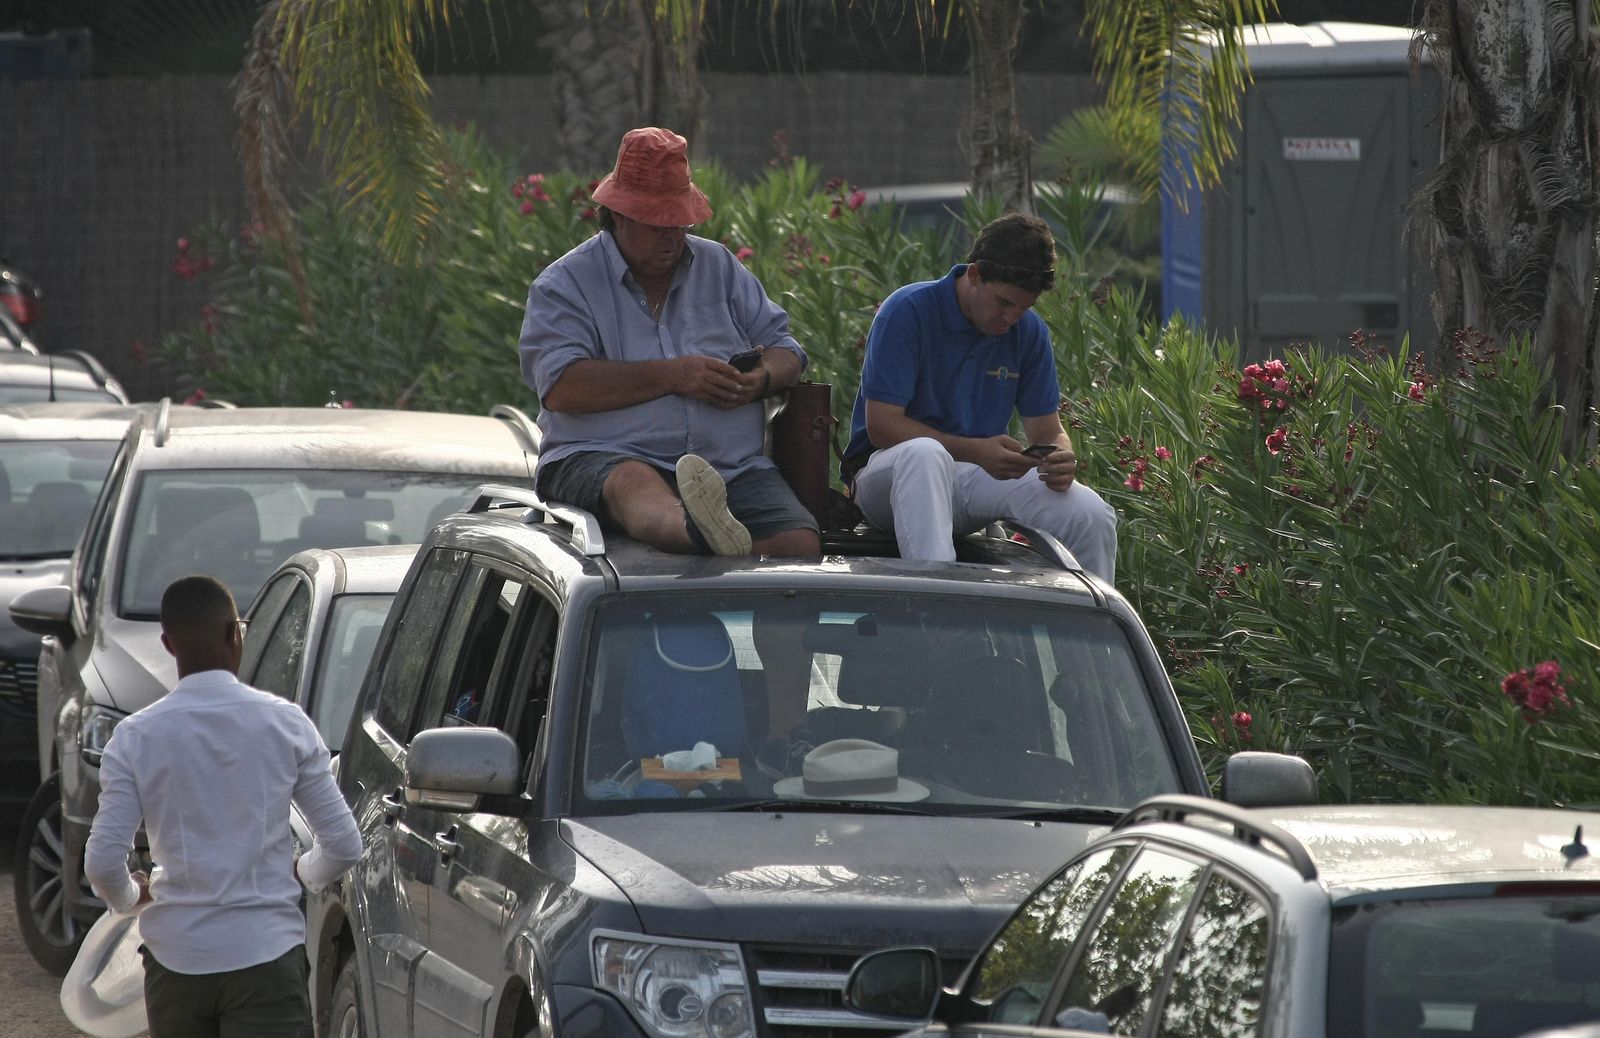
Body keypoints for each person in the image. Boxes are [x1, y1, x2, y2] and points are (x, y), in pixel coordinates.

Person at [519, 125, 821, 559]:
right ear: (618, 215)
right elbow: (563, 387)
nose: (672, 237)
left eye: (679, 222)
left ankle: (715, 533)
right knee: (631, 482)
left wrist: (762, 379)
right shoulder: (565, 285)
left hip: (730, 469)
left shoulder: (718, 266)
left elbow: (785, 348)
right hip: (601, 456)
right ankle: (696, 533)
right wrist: (673, 376)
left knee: (799, 544)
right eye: (657, 224)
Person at [84, 575, 362, 1038]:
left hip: (177, 960)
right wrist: (300, 873)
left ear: (168, 643)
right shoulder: (286, 725)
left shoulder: (135, 738)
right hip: (266, 955)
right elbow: (343, 845)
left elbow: (101, 862)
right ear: (236, 633)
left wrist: (131, 898)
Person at [841, 212, 1119, 582]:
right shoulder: (908, 310)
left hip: (973, 476)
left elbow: (1047, 431)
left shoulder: (1028, 332)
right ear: (974, 274)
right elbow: (881, 427)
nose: (1011, 318)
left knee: (1089, 513)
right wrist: (977, 451)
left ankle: (1093, 635)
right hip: (886, 481)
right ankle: (940, 614)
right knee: (926, 454)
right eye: (1003, 303)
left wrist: (1059, 455)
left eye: (1024, 308)